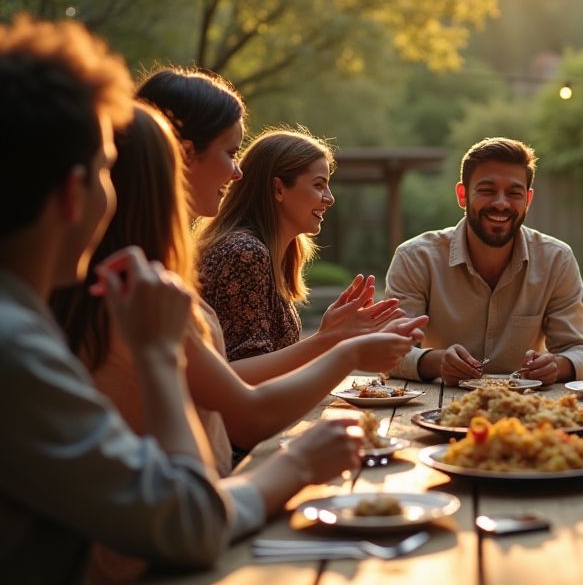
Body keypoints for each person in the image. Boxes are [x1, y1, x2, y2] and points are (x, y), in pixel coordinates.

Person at [0, 17, 353, 585]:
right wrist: (297, 462)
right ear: (74, 192)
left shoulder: (30, 318)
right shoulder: (15, 346)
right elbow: (187, 520)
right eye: (108, 169)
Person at [51, 101, 424, 585]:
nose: (237, 168)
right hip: (149, 566)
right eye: (228, 152)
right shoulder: (153, 293)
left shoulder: (118, 297)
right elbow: (244, 414)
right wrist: (341, 350)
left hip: (189, 521)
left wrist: (333, 339)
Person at [139, 68, 400, 380]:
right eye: (318, 185)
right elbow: (238, 382)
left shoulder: (265, 253)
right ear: (278, 188)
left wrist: (332, 337)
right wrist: (333, 343)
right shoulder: (244, 252)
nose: (329, 198)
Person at [383, 137, 583, 385]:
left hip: (529, 411)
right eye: (487, 190)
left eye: (514, 193)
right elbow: (389, 353)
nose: (501, 203)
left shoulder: (557, 259)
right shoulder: (415, 258)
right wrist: (437, 362)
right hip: (437, 407)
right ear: (463, 195)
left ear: (527, 200)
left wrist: (557, 366)